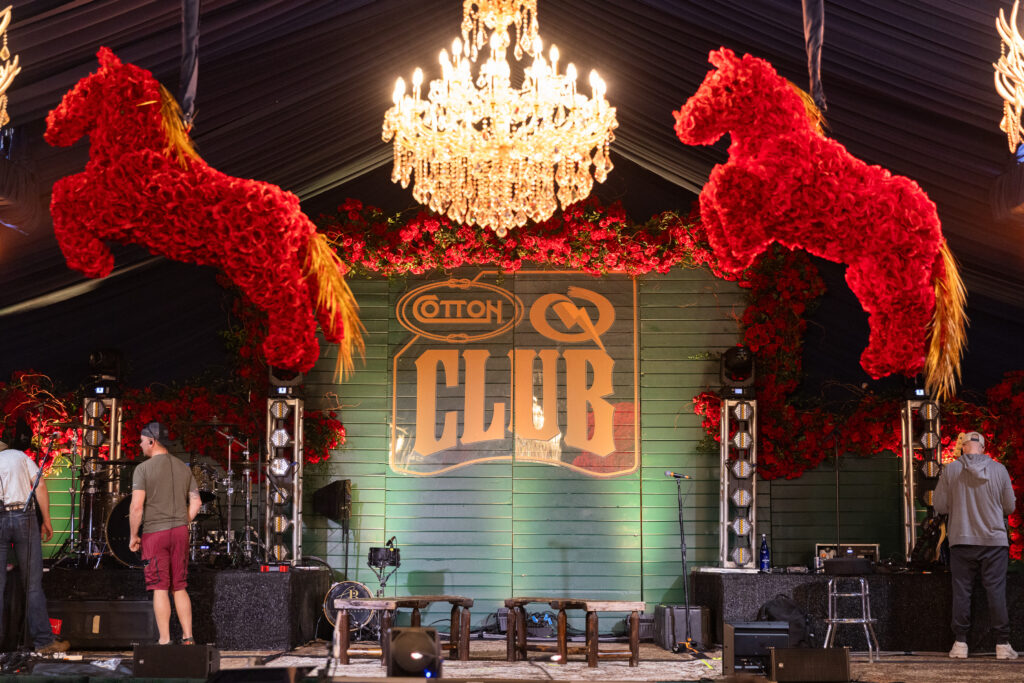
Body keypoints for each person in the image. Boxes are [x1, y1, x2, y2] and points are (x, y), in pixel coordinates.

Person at [933, 431, 1017, 660]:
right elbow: (1009, 507)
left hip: (961, 541)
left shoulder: (950, 470)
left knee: (961, 592)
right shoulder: (999, 470)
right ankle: (1002, 644)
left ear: (963, 448)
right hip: (994, 543)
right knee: (996, 592)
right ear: (982, 448)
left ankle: (960, 644)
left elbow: (939, 505)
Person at [129, 422, 201, 645]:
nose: (141, 446)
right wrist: (182, 521)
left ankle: (165, 640)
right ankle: (188, 638)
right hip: (180, 532)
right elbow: (197, 502)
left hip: (155, 534)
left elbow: (137, 507)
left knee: (160, 587)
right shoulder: (183, 467)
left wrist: (133, 535)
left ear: (152, 441)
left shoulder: (143, 469)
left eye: (142, 441)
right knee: (179, 585)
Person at [0, 428, 69, 654]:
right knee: (32, 585)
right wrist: (46, 520)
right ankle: (44, 642)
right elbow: (39, 484)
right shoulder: (19, 457)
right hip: (23, 516)